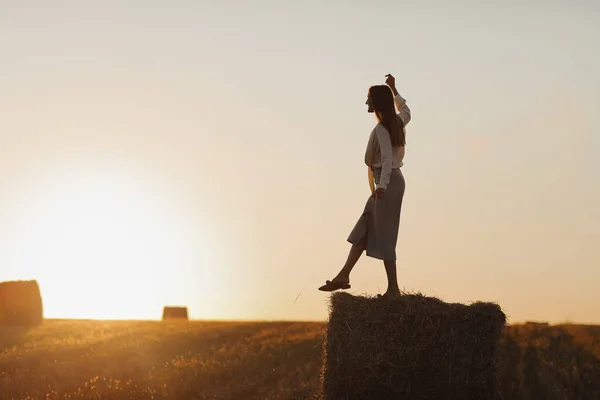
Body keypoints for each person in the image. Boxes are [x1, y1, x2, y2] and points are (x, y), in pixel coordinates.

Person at [318, 73, 411, 297]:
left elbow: (387, 159)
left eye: (369, 99)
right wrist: (395, 90)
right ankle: (344, 275)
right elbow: (406, 112)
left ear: (377, 102)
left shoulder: (381, 130)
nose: (366, 102)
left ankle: (393, 289)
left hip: (387, 183)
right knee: (365, 226)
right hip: (389, 182)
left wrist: (382, 186)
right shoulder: (396, 123)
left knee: (385, 234)